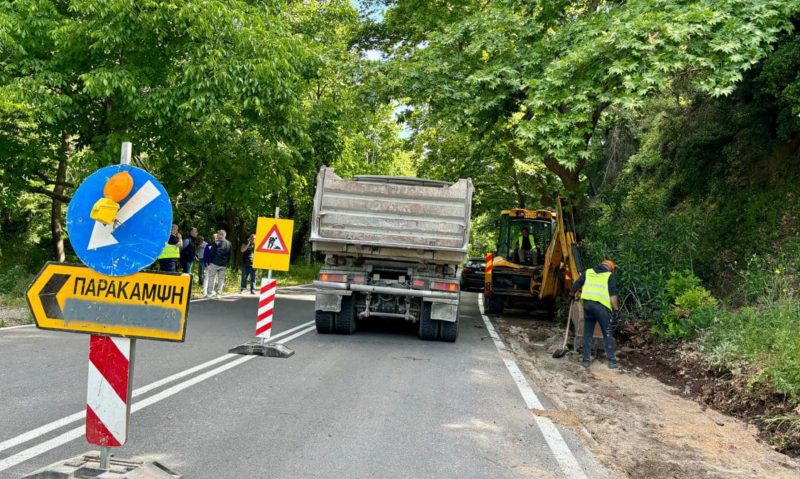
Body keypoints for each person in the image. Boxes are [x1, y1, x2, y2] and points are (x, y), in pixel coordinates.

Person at [570, 259, 620, 369]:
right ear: (611, 269)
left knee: (587, 333)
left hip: (587, 307)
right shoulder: (609, 276)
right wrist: (616, 310)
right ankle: (612, 361)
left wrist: (571, 294)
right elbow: (613, 296)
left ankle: (586, 361)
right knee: (607, 333)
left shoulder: (588, 272)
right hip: (601, 308)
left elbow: (576, 284)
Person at [205, 229, 232, 298]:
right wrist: (227, 262)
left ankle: (209, 293)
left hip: (214, 262)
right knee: (221, 279)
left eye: (218, 234)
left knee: (211, 278)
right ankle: (218, 293)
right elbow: (230, 254)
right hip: (223, 264)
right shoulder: (229, 243)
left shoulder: (216, 243)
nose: (217, 235)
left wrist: (210, 262)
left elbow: (212, 253)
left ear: (221, 235)